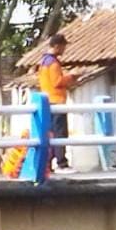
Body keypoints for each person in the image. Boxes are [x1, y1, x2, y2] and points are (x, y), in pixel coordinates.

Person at [38, 34, 77, 173]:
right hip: (56, 101)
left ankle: (48, 164)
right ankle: (62, 163)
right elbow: (57, 82)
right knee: (60, 133)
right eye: (63, 46)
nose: (64, 49)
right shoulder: (53, 63)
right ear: (57, 46)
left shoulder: (44, 61)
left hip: (49, 101)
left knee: (51, 134)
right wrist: (71, 76)